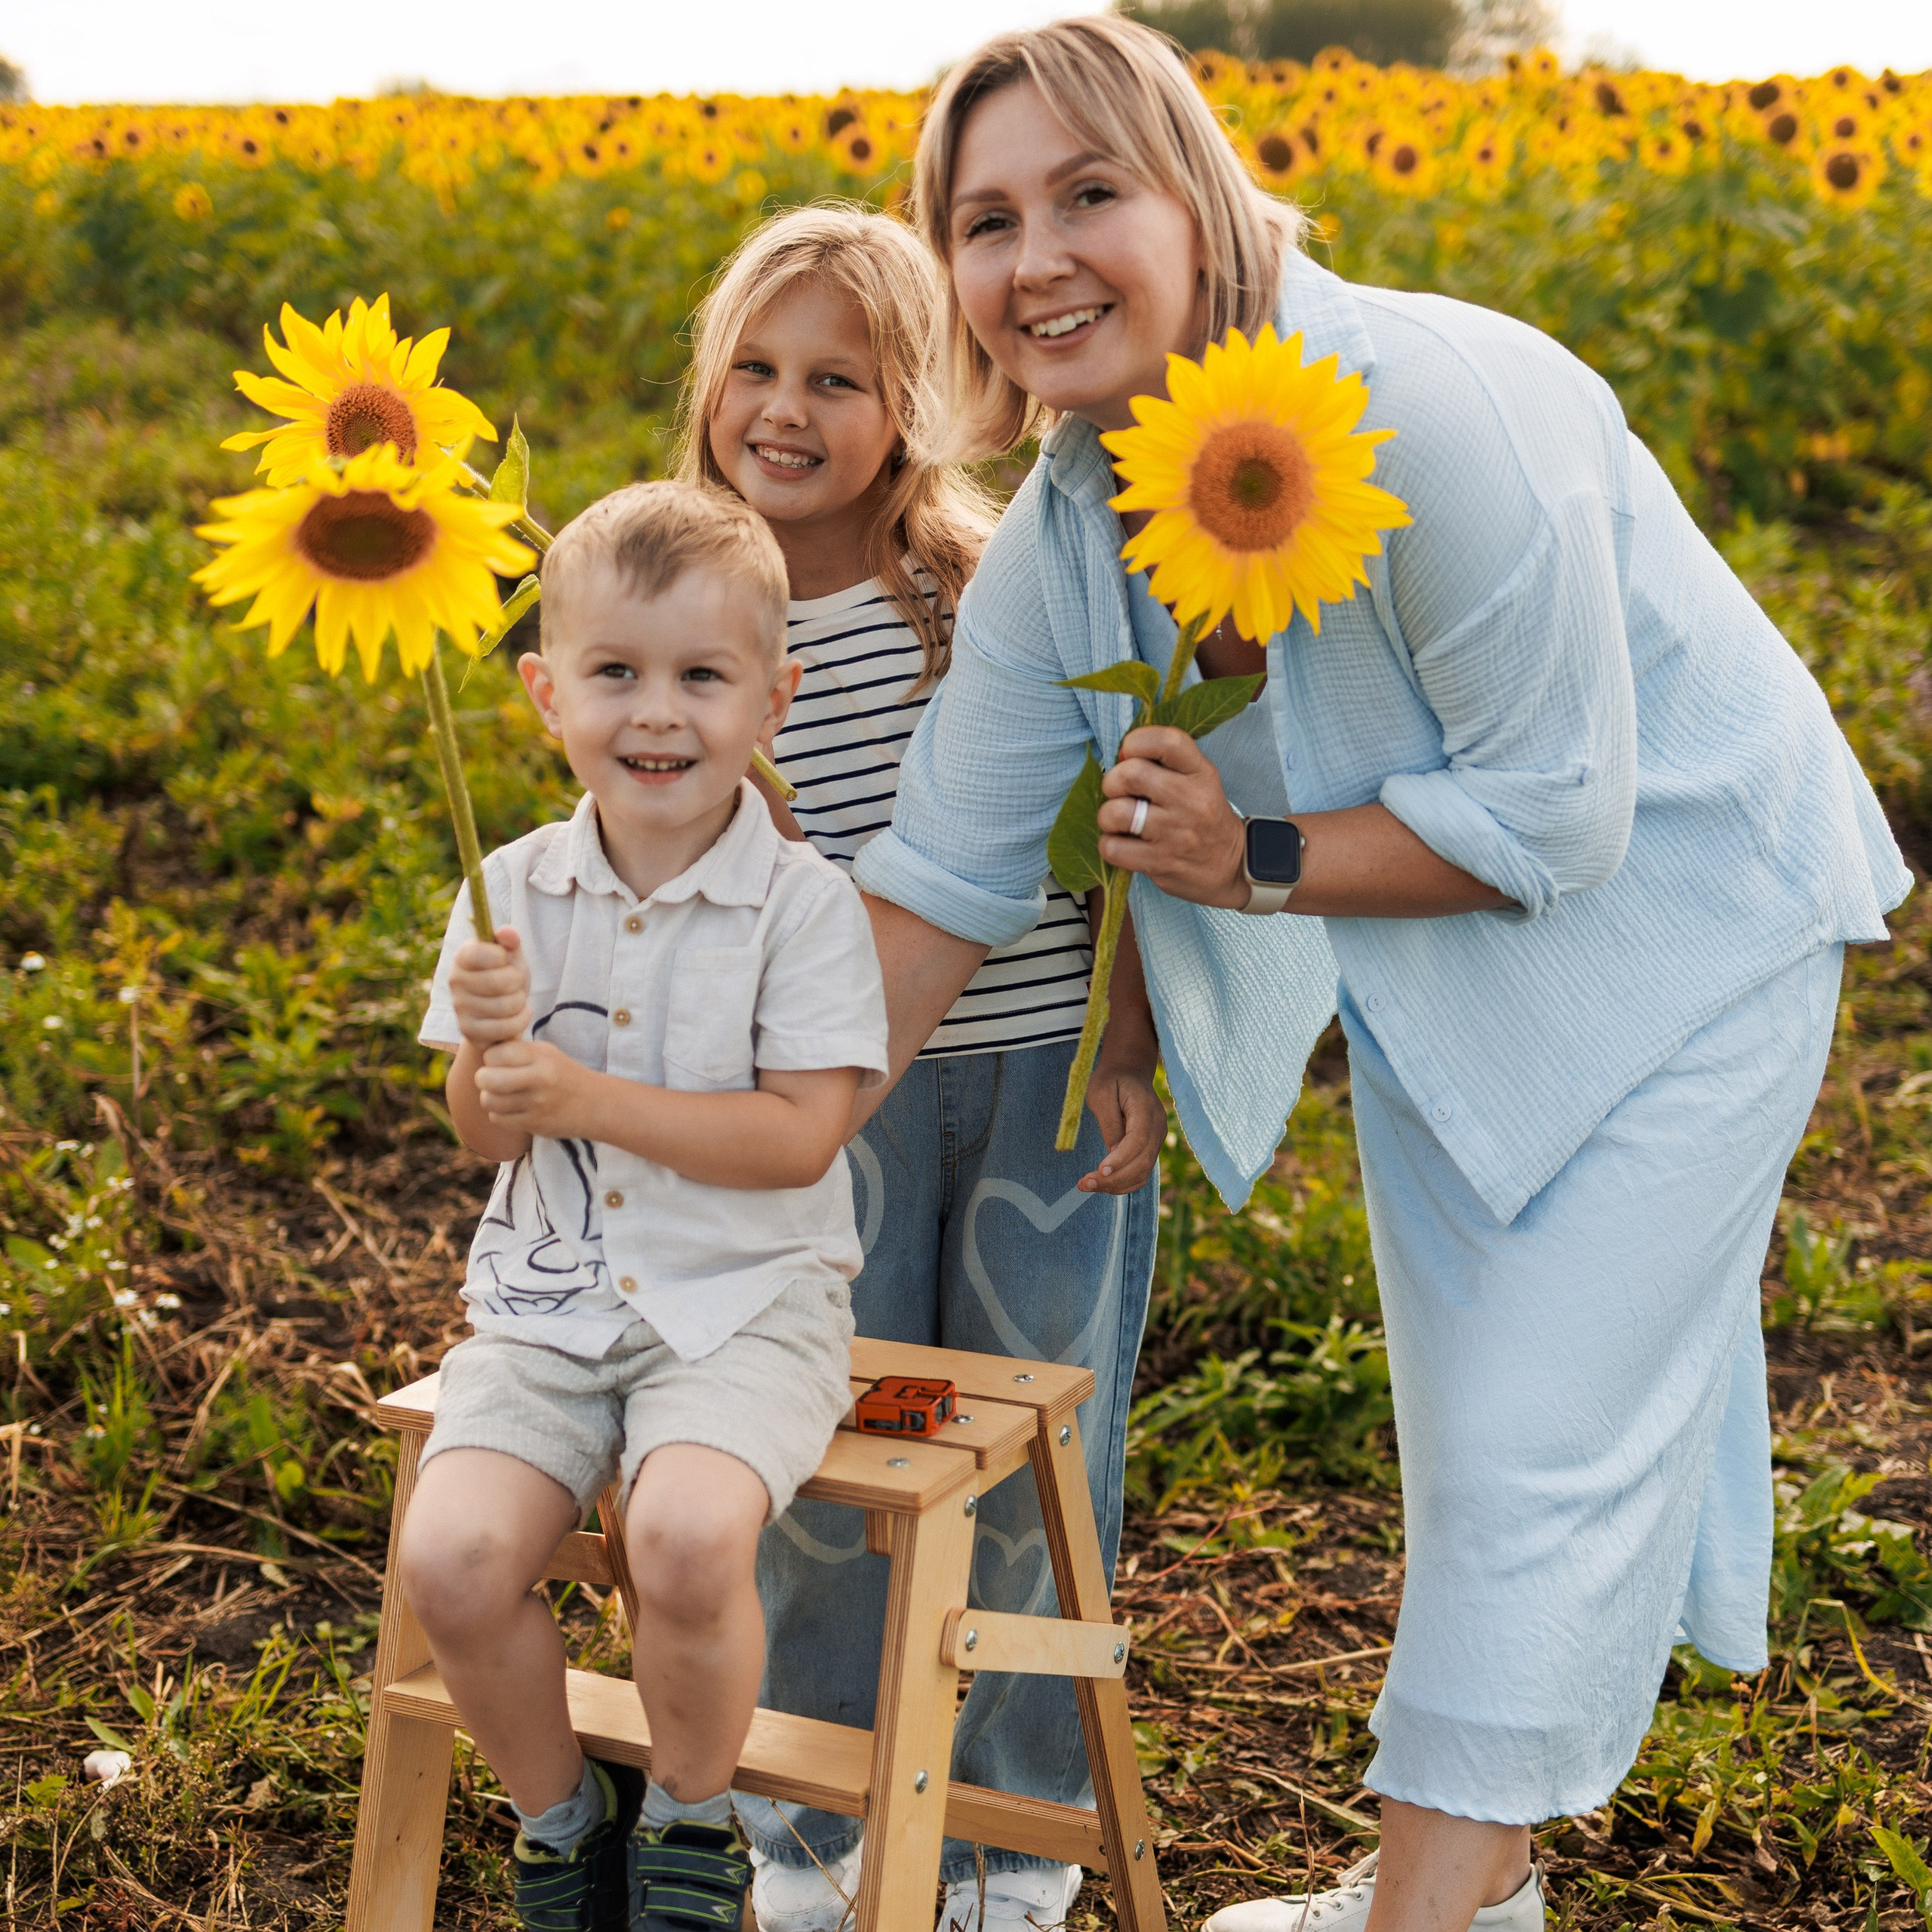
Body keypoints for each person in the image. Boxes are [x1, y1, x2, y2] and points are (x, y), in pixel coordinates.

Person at [842, 18, 1914, 1932]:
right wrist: (729, 1120)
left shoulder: (1421, 408)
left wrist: (1242, 863)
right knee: (1484, 1422)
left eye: (1090, 192)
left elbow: (1563, 818)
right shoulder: (1077, 522)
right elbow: (939, 871)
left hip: (1685, 931)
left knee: (1531, 1445)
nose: (1036, 258)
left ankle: (1424, 1910)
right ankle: (1466, 1889)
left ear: (1201, 199)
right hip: (1444, 960)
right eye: (985, 219)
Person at [672, 198, 1204, 1932]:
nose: (785, 407)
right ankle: (815, 1822)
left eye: (837, 374)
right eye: (754, 366)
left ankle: (1006, 1839)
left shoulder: (984, 593)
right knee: (817, 1448)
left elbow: (1111, 831)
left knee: (1036, 1458)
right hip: (830, 1113)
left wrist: (1130, 1034)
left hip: (1036, 1066)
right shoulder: (689, 615)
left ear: (911, 400)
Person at [399, 481, 888, 1932]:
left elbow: (803, 1139)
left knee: (680, 1534)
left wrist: (585, 1094)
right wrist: (493, 1059)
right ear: (550, 693)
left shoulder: (803, 908)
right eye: (616, 672)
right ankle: (566, 1822)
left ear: (773, 698)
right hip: (550, 1310)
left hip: (748, 1307)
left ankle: (689, 1815)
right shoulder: (509, 896)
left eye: (700, 675)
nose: (656, 713)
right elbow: (482, 1134)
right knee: (455, 1555)